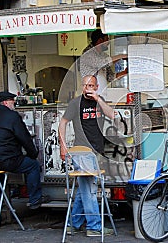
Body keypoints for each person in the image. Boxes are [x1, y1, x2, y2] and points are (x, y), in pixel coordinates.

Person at [58, 75, 115, 237]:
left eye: (91, 85)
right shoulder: (75, 103)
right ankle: (94, 227)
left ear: (96, 87)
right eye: (85, 85)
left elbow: (112, 115)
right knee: (89, 189)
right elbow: (63, 123)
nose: (87, 88)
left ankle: (72, 224)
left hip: (97, 151)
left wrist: (98, 99)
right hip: (82, 152)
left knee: (85, 189)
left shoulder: (99, 100)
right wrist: (63, 146)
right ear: (81, 86)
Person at [0, 91, 49, 210]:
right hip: (6, 160)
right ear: (6, 102)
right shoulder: (12, 116)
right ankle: (35, 199)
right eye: (12, 101)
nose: (14, 104)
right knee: (32, 166)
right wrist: (33, 154)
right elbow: (24, 138)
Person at [79, 29, 127, 98]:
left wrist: (125, 72)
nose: (109, 43)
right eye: (107, 40)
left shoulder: (104, 56)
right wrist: (121, 56)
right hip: (90, 97)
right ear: (100, 41)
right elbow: (102, 63)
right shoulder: (88, 53)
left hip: (102, 96)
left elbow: (110, 77)